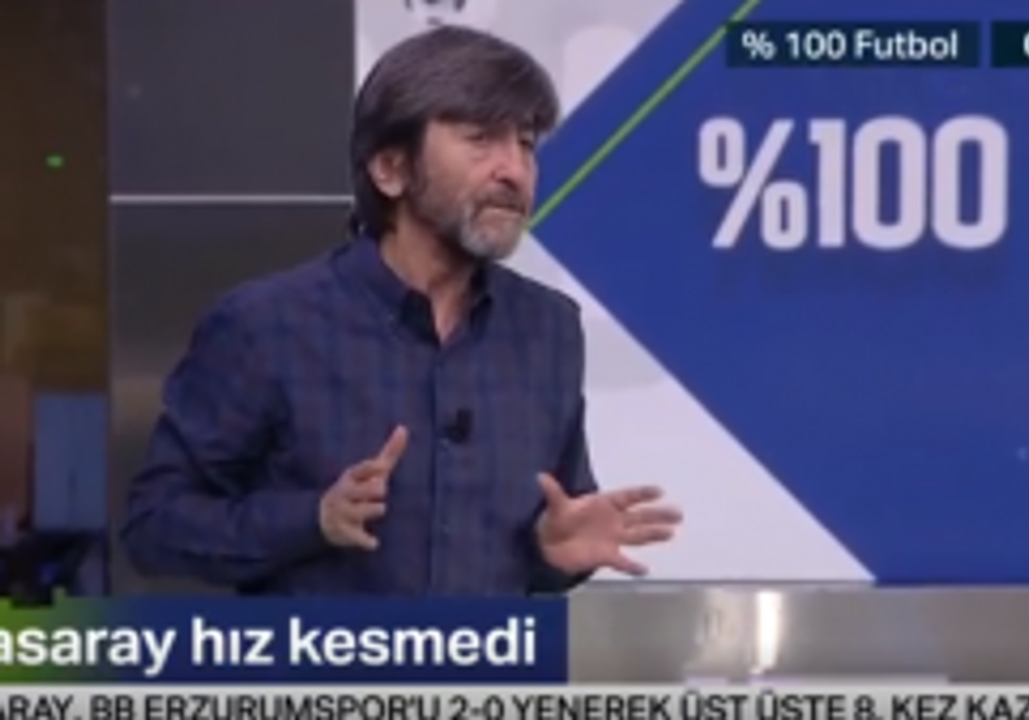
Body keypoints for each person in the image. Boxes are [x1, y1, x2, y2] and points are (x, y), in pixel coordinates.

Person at [119, 26, 682, 595]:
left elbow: (553, 521)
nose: (514, 170)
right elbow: (154, 525)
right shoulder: (267, 325)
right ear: (390, 168)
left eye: (527, 144)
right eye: (481, 138)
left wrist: (551, 550)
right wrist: (313, 520)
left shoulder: (548, 328)